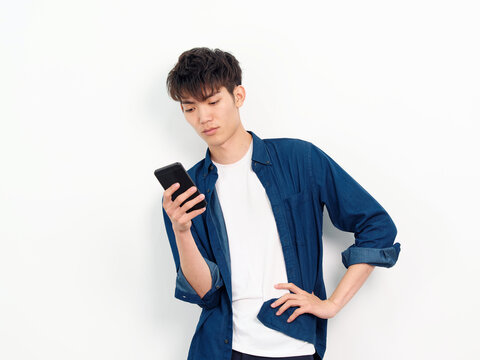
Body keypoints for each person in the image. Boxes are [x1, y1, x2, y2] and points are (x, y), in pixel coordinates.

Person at [161, 47, 401, 360]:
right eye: (190, 108)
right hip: (221, 349)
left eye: (213, 101)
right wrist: (181, 231)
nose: (204, 117)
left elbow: (377, 226)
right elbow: (206, 293)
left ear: (239, 96)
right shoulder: (188, 190)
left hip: (293, 345)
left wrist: (332, 305)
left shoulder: (299, 159)